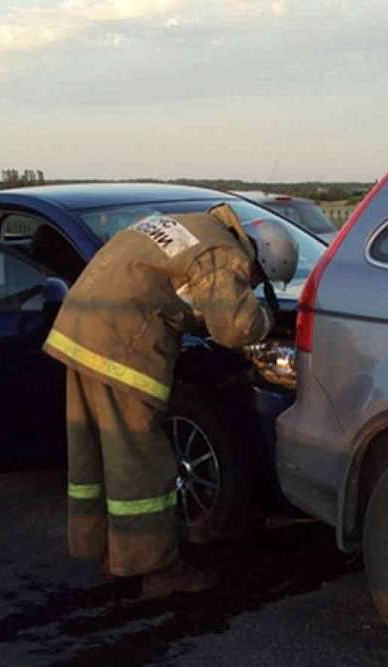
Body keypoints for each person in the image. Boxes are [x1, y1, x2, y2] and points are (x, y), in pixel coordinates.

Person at [42, 204, 298, 600]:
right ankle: (158, 570)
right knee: (142, 461)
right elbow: (235, 328)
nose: (252, 280)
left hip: (78, 329)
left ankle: (109, 552)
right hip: (120, 346)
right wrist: (264, 320)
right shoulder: (222, 253)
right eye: (258, 277)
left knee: (96, 452)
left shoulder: (188, 225)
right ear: (260, 257)